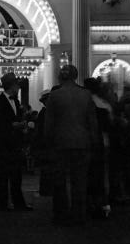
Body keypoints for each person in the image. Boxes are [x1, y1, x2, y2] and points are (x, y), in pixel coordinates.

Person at [45, 65, 99, 225]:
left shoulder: (54, 96)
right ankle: (79, 214)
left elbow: (49, 124)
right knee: (80, 180)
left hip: (60, 143)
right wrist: (94, 141)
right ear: (76, 76)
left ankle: (61, 214)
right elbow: (92, 122)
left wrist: (47, 142)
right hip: (82, 142)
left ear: (60, 77)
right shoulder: (85, 94)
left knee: (59, 181)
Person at [0, 73, 33, 212]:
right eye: (17, 84)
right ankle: (3, 204)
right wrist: (13, 125)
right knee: (3, 176)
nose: (18, 87)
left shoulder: (16, 101)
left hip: (15, 144)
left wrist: (21, 127)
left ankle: (18, 203)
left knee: (16, 175)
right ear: (12, 86)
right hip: (4, 145)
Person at [85, 77, 112, 219]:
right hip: (103, 143)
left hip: (88, 143)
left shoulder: (85, 104)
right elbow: (109, 126)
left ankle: (89, 203)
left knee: (88, 174)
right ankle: (102, 203)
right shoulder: (104, 104)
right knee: (101, 175)